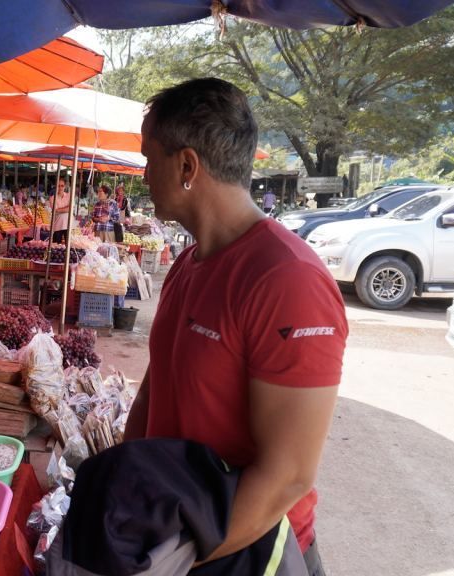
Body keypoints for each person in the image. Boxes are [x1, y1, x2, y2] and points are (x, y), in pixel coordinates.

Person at [124, 78, 347, 576]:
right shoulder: (188, 264)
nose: (142, 174)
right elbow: (156, 387)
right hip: (174, 527)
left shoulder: (287, 279)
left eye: (147, 156)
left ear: (186, 166)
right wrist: (124, 485)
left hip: (247, 552)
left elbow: (287, 476)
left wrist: (180, 559)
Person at [51, 178, 72, 244]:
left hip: (68, 224)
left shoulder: (69, 196)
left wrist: (60, 209)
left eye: (62, 185)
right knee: (56, 247)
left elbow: (70, 209)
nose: (60, 187)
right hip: (58, 225)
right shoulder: (52, 198)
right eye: (58, 185)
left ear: (65, 186)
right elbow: (56, 210)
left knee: (68, 246)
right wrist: (67, 208)